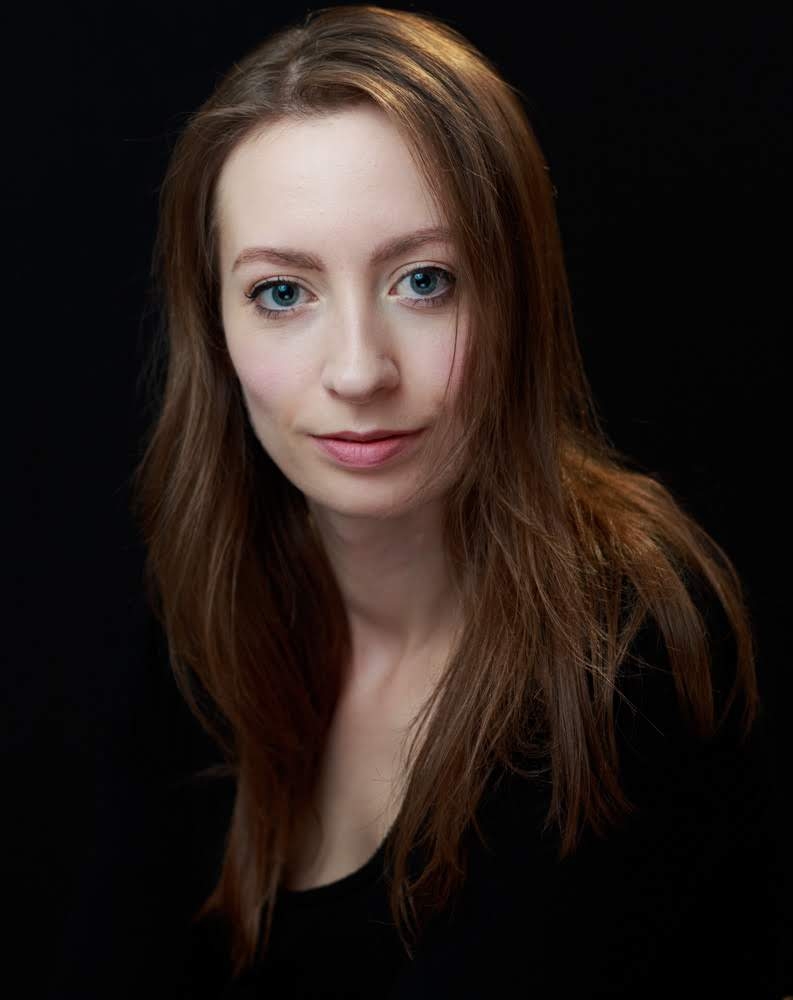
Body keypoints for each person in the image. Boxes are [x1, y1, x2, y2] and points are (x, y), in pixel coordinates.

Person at [131, 5, 782, 997]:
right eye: (282, 293)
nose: (359, 371)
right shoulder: (201, 620)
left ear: (514, 298)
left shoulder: (629, 649)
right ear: (213, 325)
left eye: (424, 281)